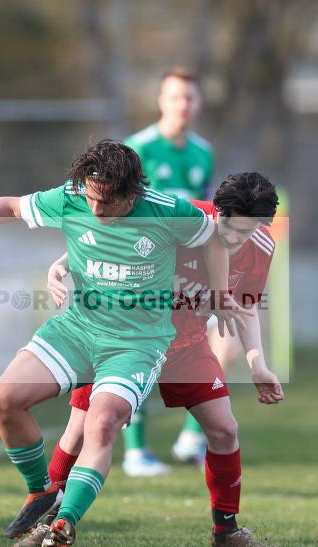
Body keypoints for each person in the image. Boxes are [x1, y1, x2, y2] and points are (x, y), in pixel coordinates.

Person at [0, 140, 244, 547]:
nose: (94, 210)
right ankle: (42, 492)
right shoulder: (72, 197)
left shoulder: (168, 210)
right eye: (89, 198)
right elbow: (12, 206)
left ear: (132, 193)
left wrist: (218, 292)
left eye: (105, 202)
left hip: (136, 344)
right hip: (78, 328)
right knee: (4, 400)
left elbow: (214, 236)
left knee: (101, 424)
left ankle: (64, 522)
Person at [12, 172, 284, 547]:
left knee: (224, 429)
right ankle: (45, 524)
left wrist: (258, 365)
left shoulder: (261, 247)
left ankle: (227, 531)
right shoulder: (187, 218)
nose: (233, 238)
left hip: (186, 344)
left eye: (246, 230)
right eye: (229, 227)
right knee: (79, 430)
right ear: (217, 210)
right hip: (126, 337)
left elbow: (247, 307)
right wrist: (61, 262)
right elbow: (111, 233)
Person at [121, 66, 217, 475]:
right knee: (141, 355)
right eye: (175, 96)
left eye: (190, 97)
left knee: (218, 343)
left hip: (188, 274)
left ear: (199, 103)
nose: (183, 104)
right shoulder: (136, 148)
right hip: (142, 269)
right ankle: (135, 451)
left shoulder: (203, 152)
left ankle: (192, 438)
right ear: (162, 100)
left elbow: (206, 212)